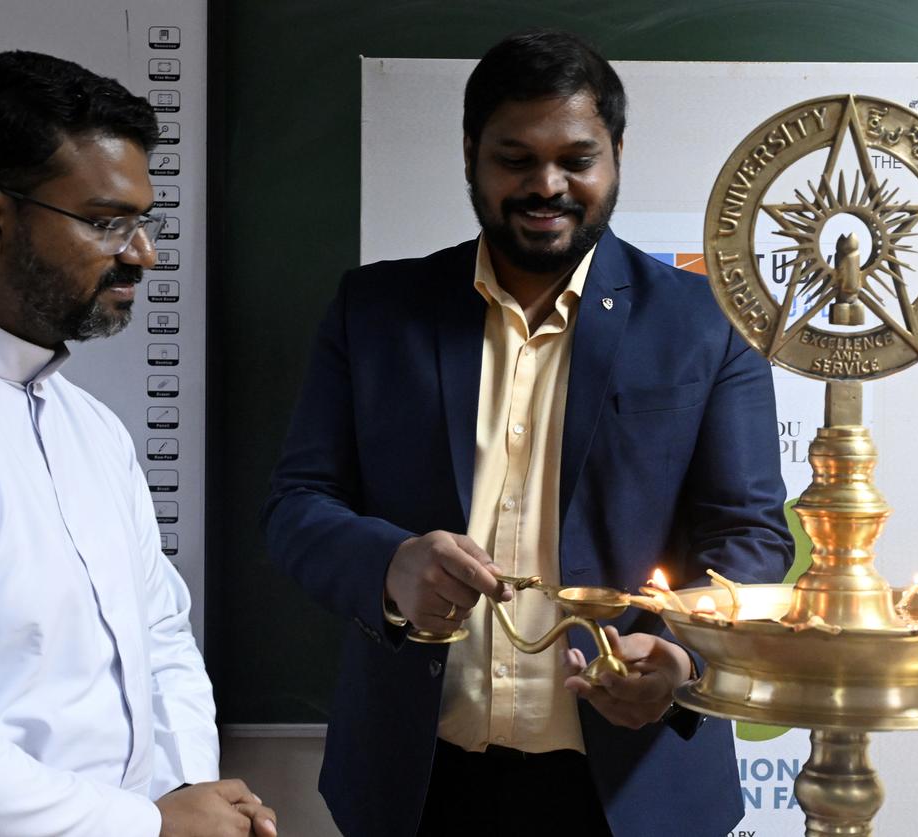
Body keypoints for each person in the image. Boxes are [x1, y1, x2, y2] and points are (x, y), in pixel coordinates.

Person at [262, 29, 791, 837]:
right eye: (516, 158)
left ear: (616, 154)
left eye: (577, 159)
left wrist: (680, 660)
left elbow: (749, 537)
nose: (547, 185)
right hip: (416, 784)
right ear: (472, 153)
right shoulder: (374, 312)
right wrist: (389, 565)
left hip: (635, 790)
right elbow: (297, 506)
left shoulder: (705, 324)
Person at [0, 51, 276, 837]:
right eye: (105, 222)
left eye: (143, 220)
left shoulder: (91, 428)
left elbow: (160, 637)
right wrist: (150, 825)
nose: (143, 254)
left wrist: (194, 792)